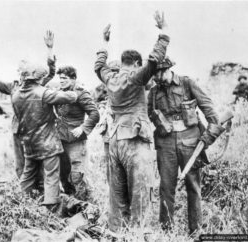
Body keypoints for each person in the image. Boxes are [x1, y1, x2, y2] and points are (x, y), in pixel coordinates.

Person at [94, 12, 170, 231]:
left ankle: (116, 231)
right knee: (140, 190)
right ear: (136, 63)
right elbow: (154, 61)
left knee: (116, 192)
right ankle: (139, 232)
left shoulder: (111, 77)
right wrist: (163, 33)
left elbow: (99, 66)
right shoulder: (136, 77)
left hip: (115, 139)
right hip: (135, 140)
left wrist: (104, 42)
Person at [0, 31, 56, 181]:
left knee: (38, 161)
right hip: (18, 130)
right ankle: (26, 190)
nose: (22, 73)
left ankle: (40, 189)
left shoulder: (39, 84)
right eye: (20, 71)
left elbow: (50, 73)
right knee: (21, 163)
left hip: (36, 131)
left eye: (24, 71)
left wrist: (50, 50)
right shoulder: (13, 87)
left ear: (30, 72)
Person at [147, 57, 220, 235]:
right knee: (166, 187)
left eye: (159, 73)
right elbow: (150, 113)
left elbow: (208, 108)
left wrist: (210, 134)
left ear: (168, 69)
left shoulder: (187, 83)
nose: (156, 78)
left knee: (193, 185)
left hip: (190, 142)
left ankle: (196, 231)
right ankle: (167, 232)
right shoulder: (154, 92)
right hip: (165, 144)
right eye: (154, 74)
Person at [11, 62, 77, 207]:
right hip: (47, 144)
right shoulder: (44, 93)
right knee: (51, 177)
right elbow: (71, 97)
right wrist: (71, 90)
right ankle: (51, 208)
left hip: (29, 144)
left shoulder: (15, 95)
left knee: (27, 176)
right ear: (40, 79)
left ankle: (23, 204)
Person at [55, 65, 100, 200]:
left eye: (65, 78)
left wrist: (82, 128)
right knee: (63, 174)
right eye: (60, 78)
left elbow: (94, 114)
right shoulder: (58, 93)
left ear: (74, 79)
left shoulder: (81, 93)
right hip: (61, 140)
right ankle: (71, 204)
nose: (61, 81)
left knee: (78, 175)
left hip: (75, 141)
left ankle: (86, 204)